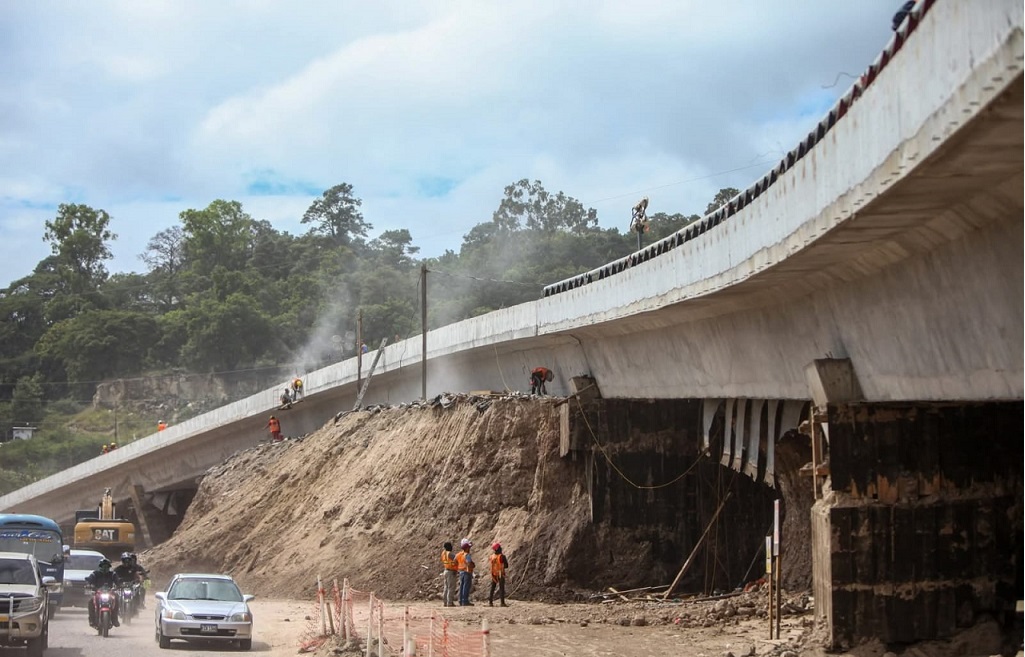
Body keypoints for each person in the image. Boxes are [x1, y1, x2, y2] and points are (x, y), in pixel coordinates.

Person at [85, 558, 121, 627]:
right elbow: (89, 580)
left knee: (116, 598)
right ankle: (92, 620)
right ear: (100, 566)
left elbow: (117, 582)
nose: (105, 568)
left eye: (106, 566)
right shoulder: (95, 574)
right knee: (90, 601)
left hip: (109, 593)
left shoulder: (112, 574)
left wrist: (119, 585)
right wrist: (88, 584)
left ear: (109, 567)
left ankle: (114, 619)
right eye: (103, 566)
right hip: (98, 593)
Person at [488, 542, 509, 607]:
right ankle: (502, 603)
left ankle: (490, 602)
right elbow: (506, 565)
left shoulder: (491, 556)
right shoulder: (502, 556)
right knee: (501, 588)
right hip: (500, 573)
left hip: (493, 573)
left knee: (492, 588)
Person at [455, 538, 475, 606]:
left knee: (462, 586)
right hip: (467, 571)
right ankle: (465, 601)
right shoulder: (467, 555)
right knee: (466, 586)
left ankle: (461, 600)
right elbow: (469, 563)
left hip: (461, 572)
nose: (470, 548)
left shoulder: (459, 554)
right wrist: (472, 564)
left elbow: (454, 561)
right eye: (469, 547)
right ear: (466, 548)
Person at [441, 541, 459, 607]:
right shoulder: (450, 554)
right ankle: (450, 602)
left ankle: (445, 602)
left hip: (446, 570)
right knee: (451, 588)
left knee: (446, 587)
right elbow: (456, 560)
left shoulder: (443, 553)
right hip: (451, 572)